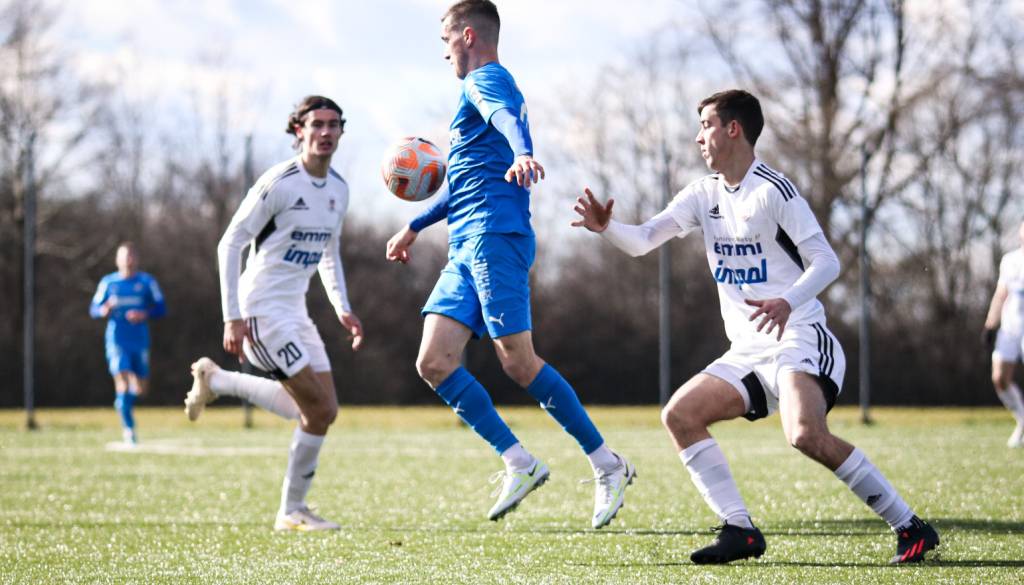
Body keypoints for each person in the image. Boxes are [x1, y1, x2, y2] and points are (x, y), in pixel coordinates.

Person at [572, 89, 939, 563]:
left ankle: (910, 526)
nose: (698, 136)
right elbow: (643, 240)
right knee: (679, 415)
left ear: (733, 129)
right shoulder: (703, 194)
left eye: (706, 125)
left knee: (804, 434)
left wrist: (787, 301)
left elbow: (826, 262)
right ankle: (739, 529)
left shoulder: (774, 191)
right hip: (747, 349)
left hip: (799, 335)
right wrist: (608, 228)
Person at [385, 0, 635, 529]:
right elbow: (463, 181)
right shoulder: (477, 92)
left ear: (468, 36)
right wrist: (415, 225)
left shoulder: (486, 80)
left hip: (495, 238)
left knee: (519, 363)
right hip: (465, 245)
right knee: (433, 362)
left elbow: (504, 118)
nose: (444, 52)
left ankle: (607, 463)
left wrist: (522, 152)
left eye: (446, 40)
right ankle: (520, 462)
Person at [184, 95, 364, 532]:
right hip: (260, 309)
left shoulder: (338, 189)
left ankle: (217, 381)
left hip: (295, 311)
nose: (325, 132)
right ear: (299, 131)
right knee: (317, 408)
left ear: (341, 131)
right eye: (316, 124)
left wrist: (342, 307)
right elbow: (230, 243)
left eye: (333, 124)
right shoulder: (279, 182)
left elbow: (329, 253)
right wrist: (232, 316)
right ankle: (291, 511)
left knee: (324, 410)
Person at [90, 242, 166, 445]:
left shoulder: (147, 282)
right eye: (124, 256)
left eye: (131, 256)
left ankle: (123, 402)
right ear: (117, 260)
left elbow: (161, 307)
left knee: (141, 389)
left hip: (139, 340)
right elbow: (94, 308)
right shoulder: (108, 283)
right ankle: (129, 429)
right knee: (122, 380)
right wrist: (103, 310)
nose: (128, 260)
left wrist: (144, 314)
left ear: (137, 259)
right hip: (117, 340)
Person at [982, 221, 1024, 448]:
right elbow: (1001, 294)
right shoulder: (1010, 260)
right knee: (999, 378)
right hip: (1010, 328)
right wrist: (990, 325)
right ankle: (1022, 420)